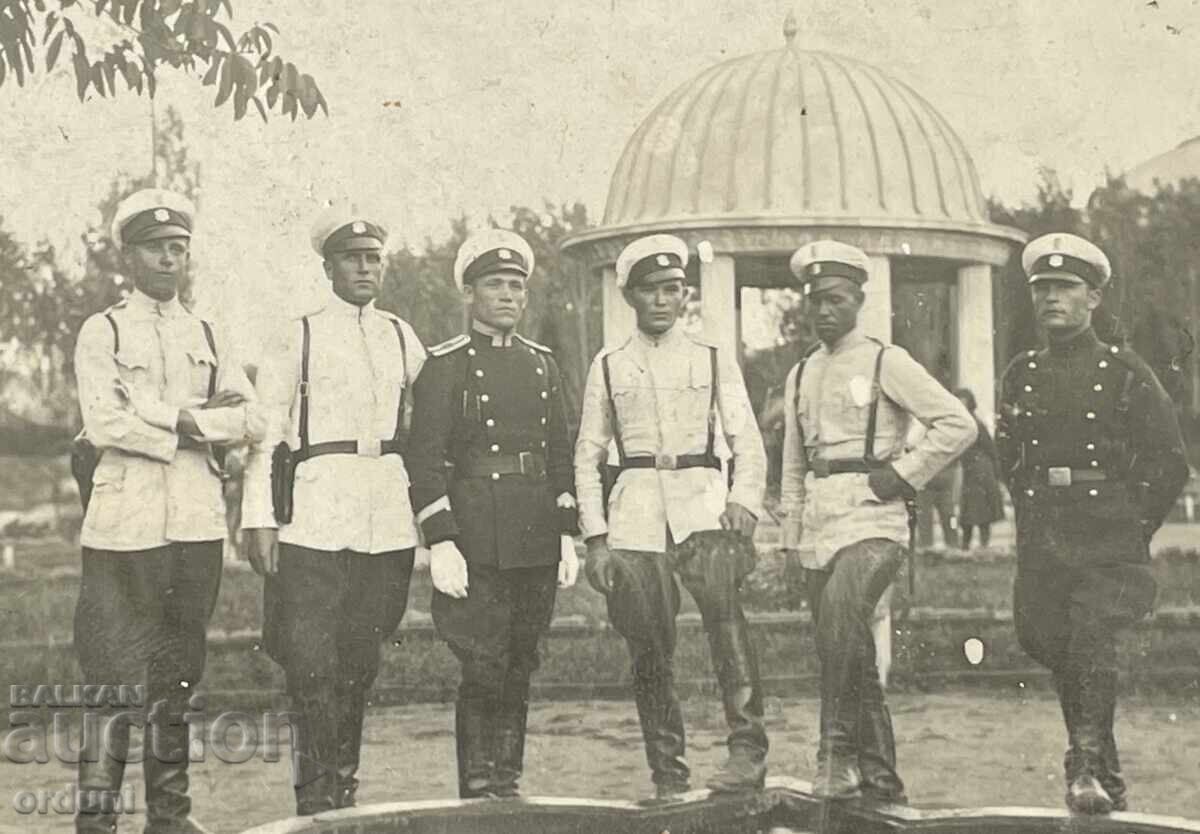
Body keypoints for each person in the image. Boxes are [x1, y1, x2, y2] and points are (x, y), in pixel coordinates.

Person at [72, 188, 263, 834]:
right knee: (111, 682)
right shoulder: (104, 332)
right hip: (121, 532)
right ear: (128, 256)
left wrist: (167, 416)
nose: (169, 259)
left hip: (194, 529)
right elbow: (102, 423)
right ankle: (96, 821)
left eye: (179, 248)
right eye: (156, 248)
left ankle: (170, 818)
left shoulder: (207, 333)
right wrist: (191, 429)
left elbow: (251, 417)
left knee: (177, 678)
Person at [241, 206, 426, 815]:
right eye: (353, 258)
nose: (366, 267)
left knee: (361, 658)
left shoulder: (401, 335)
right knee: (311, 661)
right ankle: (314, 797)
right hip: (314, 517)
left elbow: (428, 423)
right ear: (328, 267)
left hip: (385, 516)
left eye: (374, 257)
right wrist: (259, 517)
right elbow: (266, 435)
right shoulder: (300, 332)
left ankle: (344, 785)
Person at [996, 233, 1189, 814]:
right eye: (1043, 288)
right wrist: (1031, 509)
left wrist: (1132, 526)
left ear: (1095, 298)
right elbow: (1008, 453)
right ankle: (1104, 769)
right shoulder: (1021, 372)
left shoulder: (1125, 370)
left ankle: (1082, 764)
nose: (1052, 298)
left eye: (1066, 288)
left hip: (1107, 536)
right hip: (1045, 536)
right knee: (1048, 639)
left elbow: (1170, 460)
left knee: (1088, 635)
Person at [779, 240, 975, 802]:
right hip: (821, 522)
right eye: (815, 300)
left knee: (842, 617)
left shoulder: (887, 360)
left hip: (874, 518)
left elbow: (955, 424)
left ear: (859, 300)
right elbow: (794, 463)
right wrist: (792, 534)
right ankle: (883, 780)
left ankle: (835, 755)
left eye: (836, 299)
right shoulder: (800, 374)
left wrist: (905, 474)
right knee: (846, 644)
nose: (823, 311)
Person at [574, 233, 769, 798]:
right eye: (653, 290)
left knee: (728, 631)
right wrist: (596, 539)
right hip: (635, 516)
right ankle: (667, 769)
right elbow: (587, 455)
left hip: (703, 509)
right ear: (630, 295)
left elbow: (747, 438)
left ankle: (747, 753)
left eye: (675, 289)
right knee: (648, 646)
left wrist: (744, 501)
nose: (665, 301)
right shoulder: (609, 366)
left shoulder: (711, 357)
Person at [406, 228, 580, 799]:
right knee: (481, 662)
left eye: (515, 286)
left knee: (521, 660)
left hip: (533, 530)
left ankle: (508, 780)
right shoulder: (445, 365)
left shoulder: (543, 364)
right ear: (470, 294)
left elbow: (562, 452)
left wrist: (566, 532)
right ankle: (476, 784)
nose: (507, 295)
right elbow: (425, 458)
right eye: (494, 284)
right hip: (476, 534)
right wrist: (442, 539)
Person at [953, 387, 1004, 549]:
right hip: (970, 470)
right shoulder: (962, 422)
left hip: (981, 470)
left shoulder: (975, 423)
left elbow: (990, 448)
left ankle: (981, 546)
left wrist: (996, 473)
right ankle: (967, 546)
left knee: (980, 513)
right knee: (969, 512)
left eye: (964, 402)